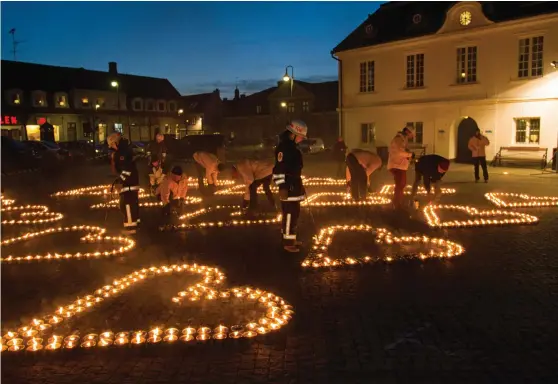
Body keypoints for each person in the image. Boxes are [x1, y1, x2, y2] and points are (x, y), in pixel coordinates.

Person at [272, 120, 307, 253]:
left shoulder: (290, 147)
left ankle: (290, 238)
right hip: (289, 187)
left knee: (294, 213)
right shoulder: (284, 148)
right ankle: (288, 242)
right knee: (290, 214)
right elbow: (279, 168)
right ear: (294, 133)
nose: (302, 139)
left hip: (293, 185)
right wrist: (283, 187)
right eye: (301, 136)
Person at [107, 133, 140, 234]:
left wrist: (120, 181)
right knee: (132, 204)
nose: (112, 147)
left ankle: (130, 227)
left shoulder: (122, 153)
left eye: (112, 145)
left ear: (116, 142)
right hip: (132, 181)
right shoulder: (125, 150)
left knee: (126, 205)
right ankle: (135, 223)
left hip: (128, 184)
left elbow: (126, 169)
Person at [387, 126, 415, 209]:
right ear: (407, 132)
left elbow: (403, 150)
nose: (411, 136)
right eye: (411, 134)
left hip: (400, 165)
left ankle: (398, 202)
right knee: (400, 184)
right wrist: (409, 154)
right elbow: (399, 151)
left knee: (401, 184)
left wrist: (408, 154)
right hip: (397, 165)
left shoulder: (403, 139)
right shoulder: (398, 139)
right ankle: (397, 204)